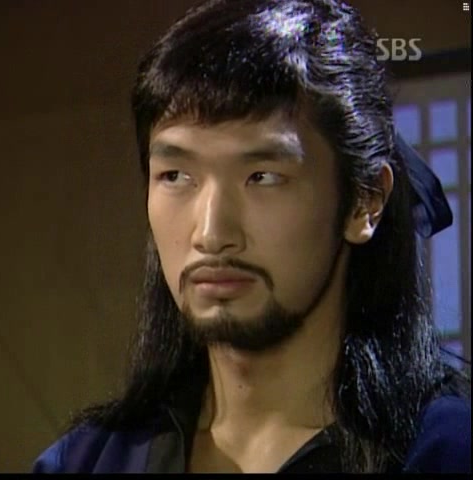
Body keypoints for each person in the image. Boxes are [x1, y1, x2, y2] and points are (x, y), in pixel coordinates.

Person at [33, 0, 471, 473]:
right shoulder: (89, 462)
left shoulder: (445, 452)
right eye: (176, 176)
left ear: (365, 200)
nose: (211, 233)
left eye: (262, 177)